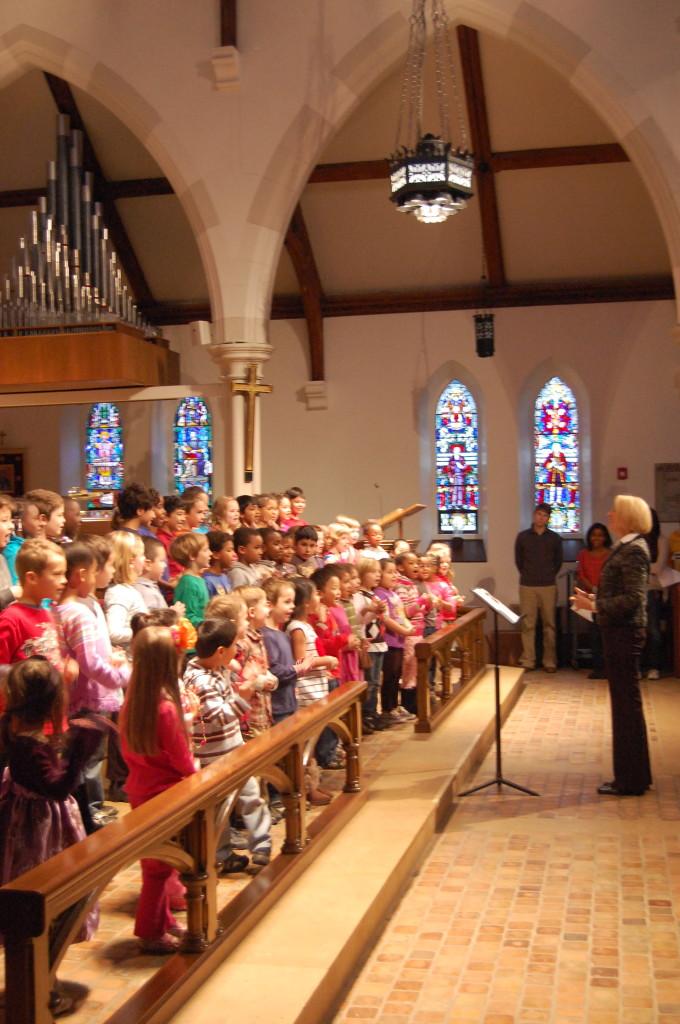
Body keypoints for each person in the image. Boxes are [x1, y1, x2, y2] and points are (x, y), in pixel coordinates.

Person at [0, 657, 103, 1014]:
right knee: (46, 897)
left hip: (22, 819)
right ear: (49, 702)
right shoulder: (30, 745)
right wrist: (81, 748)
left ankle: (43, 978)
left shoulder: (12, 725)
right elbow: (57, 788)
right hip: (39, 829)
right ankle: (42, 986)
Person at [120, 625, 196, 952]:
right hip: (166, 795)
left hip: (141, 789)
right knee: (158, 868)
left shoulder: (133, 702)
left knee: (155, 865)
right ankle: (149, 931)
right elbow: (181, 760)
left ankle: (163, 920)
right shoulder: (164, 708)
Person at [571, 494, 653, 796]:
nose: (610, 514)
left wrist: (594, 607)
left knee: (626, 708)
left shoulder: (634, 550)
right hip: (618, 631)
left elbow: (633, 599)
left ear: (628, 517)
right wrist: (591, 600)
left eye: (615, 511)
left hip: (625, 633)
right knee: (625, 707)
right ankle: (635, 776)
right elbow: (622, 593)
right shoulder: (627, 547)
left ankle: (630, 780)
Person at [183, 618, 272, 873]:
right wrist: (244, 696)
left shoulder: (218, 669)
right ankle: (222, 854)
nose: (239, 650)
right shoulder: (199, 680)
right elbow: (219, 716)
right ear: (220, 651)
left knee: (251, 797)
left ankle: (261, 845)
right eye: (235, 645)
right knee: (218, 808)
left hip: (233, 748)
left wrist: (251, 683)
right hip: (214, 755)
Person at [54, 542, 130, 832]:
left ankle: (86, 816)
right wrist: (122, 674)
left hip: (83, 696)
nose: (105, 573)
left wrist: (111, 660)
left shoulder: (71, 609)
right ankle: (86, 819)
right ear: (82, 574)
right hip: (88, 697)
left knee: (85, 761)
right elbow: (90, 663)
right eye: (101, 569)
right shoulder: (78, 613)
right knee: (86, 762)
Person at [514, 502, 563, 672]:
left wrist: (548, 574)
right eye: (539, 514)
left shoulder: (555, 538)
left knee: (549, 624)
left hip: (548, 585)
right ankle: (528, 659)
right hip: (528, 584)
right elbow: (519, 561)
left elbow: (558, 562)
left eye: (545, 515)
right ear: (534, 515)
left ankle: (549, 661)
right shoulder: (523, 537)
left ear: (548, 518)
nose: (541, 518)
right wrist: (529, 574)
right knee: (528, 624)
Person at [576, 522, 612, 679]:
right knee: (594, 633)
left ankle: (609, 668)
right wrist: (593, 588)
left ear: (605, 537)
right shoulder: (583, 554)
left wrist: (601, 589)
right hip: (589, 596)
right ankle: (597, 668)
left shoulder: (611, 553)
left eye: (600, 535)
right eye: (593, 535)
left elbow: (612, 574)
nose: (596, 538)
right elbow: (581, 574)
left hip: (607, 597)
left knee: (607, 634)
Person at [104, 531, 148, 650]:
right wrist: (146, 630)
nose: (145, 559)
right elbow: (113, 632)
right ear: (131, 560)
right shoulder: (119, 593)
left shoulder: (126, 590)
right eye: (142, 555)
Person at [643, 508, 669, 680]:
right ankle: (639, 666)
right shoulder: (638, 540)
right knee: (638, 631)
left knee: (653, 630)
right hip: (637, 590)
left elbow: (658, 567)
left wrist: (642, 568)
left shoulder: (661, 540)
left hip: (654, 589)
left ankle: (654, 666)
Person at [170, 532, 211, 629]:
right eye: (206, 550)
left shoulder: (197, 579)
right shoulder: (189, 583)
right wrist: (210, 625)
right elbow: (188, 617)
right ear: (192, 556)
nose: (210, 553)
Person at [203, 530, 235, 597]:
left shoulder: (224, 576)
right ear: (215, 555)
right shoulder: (207, 581)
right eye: (229, 550)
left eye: (233, 550)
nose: (234, 554)